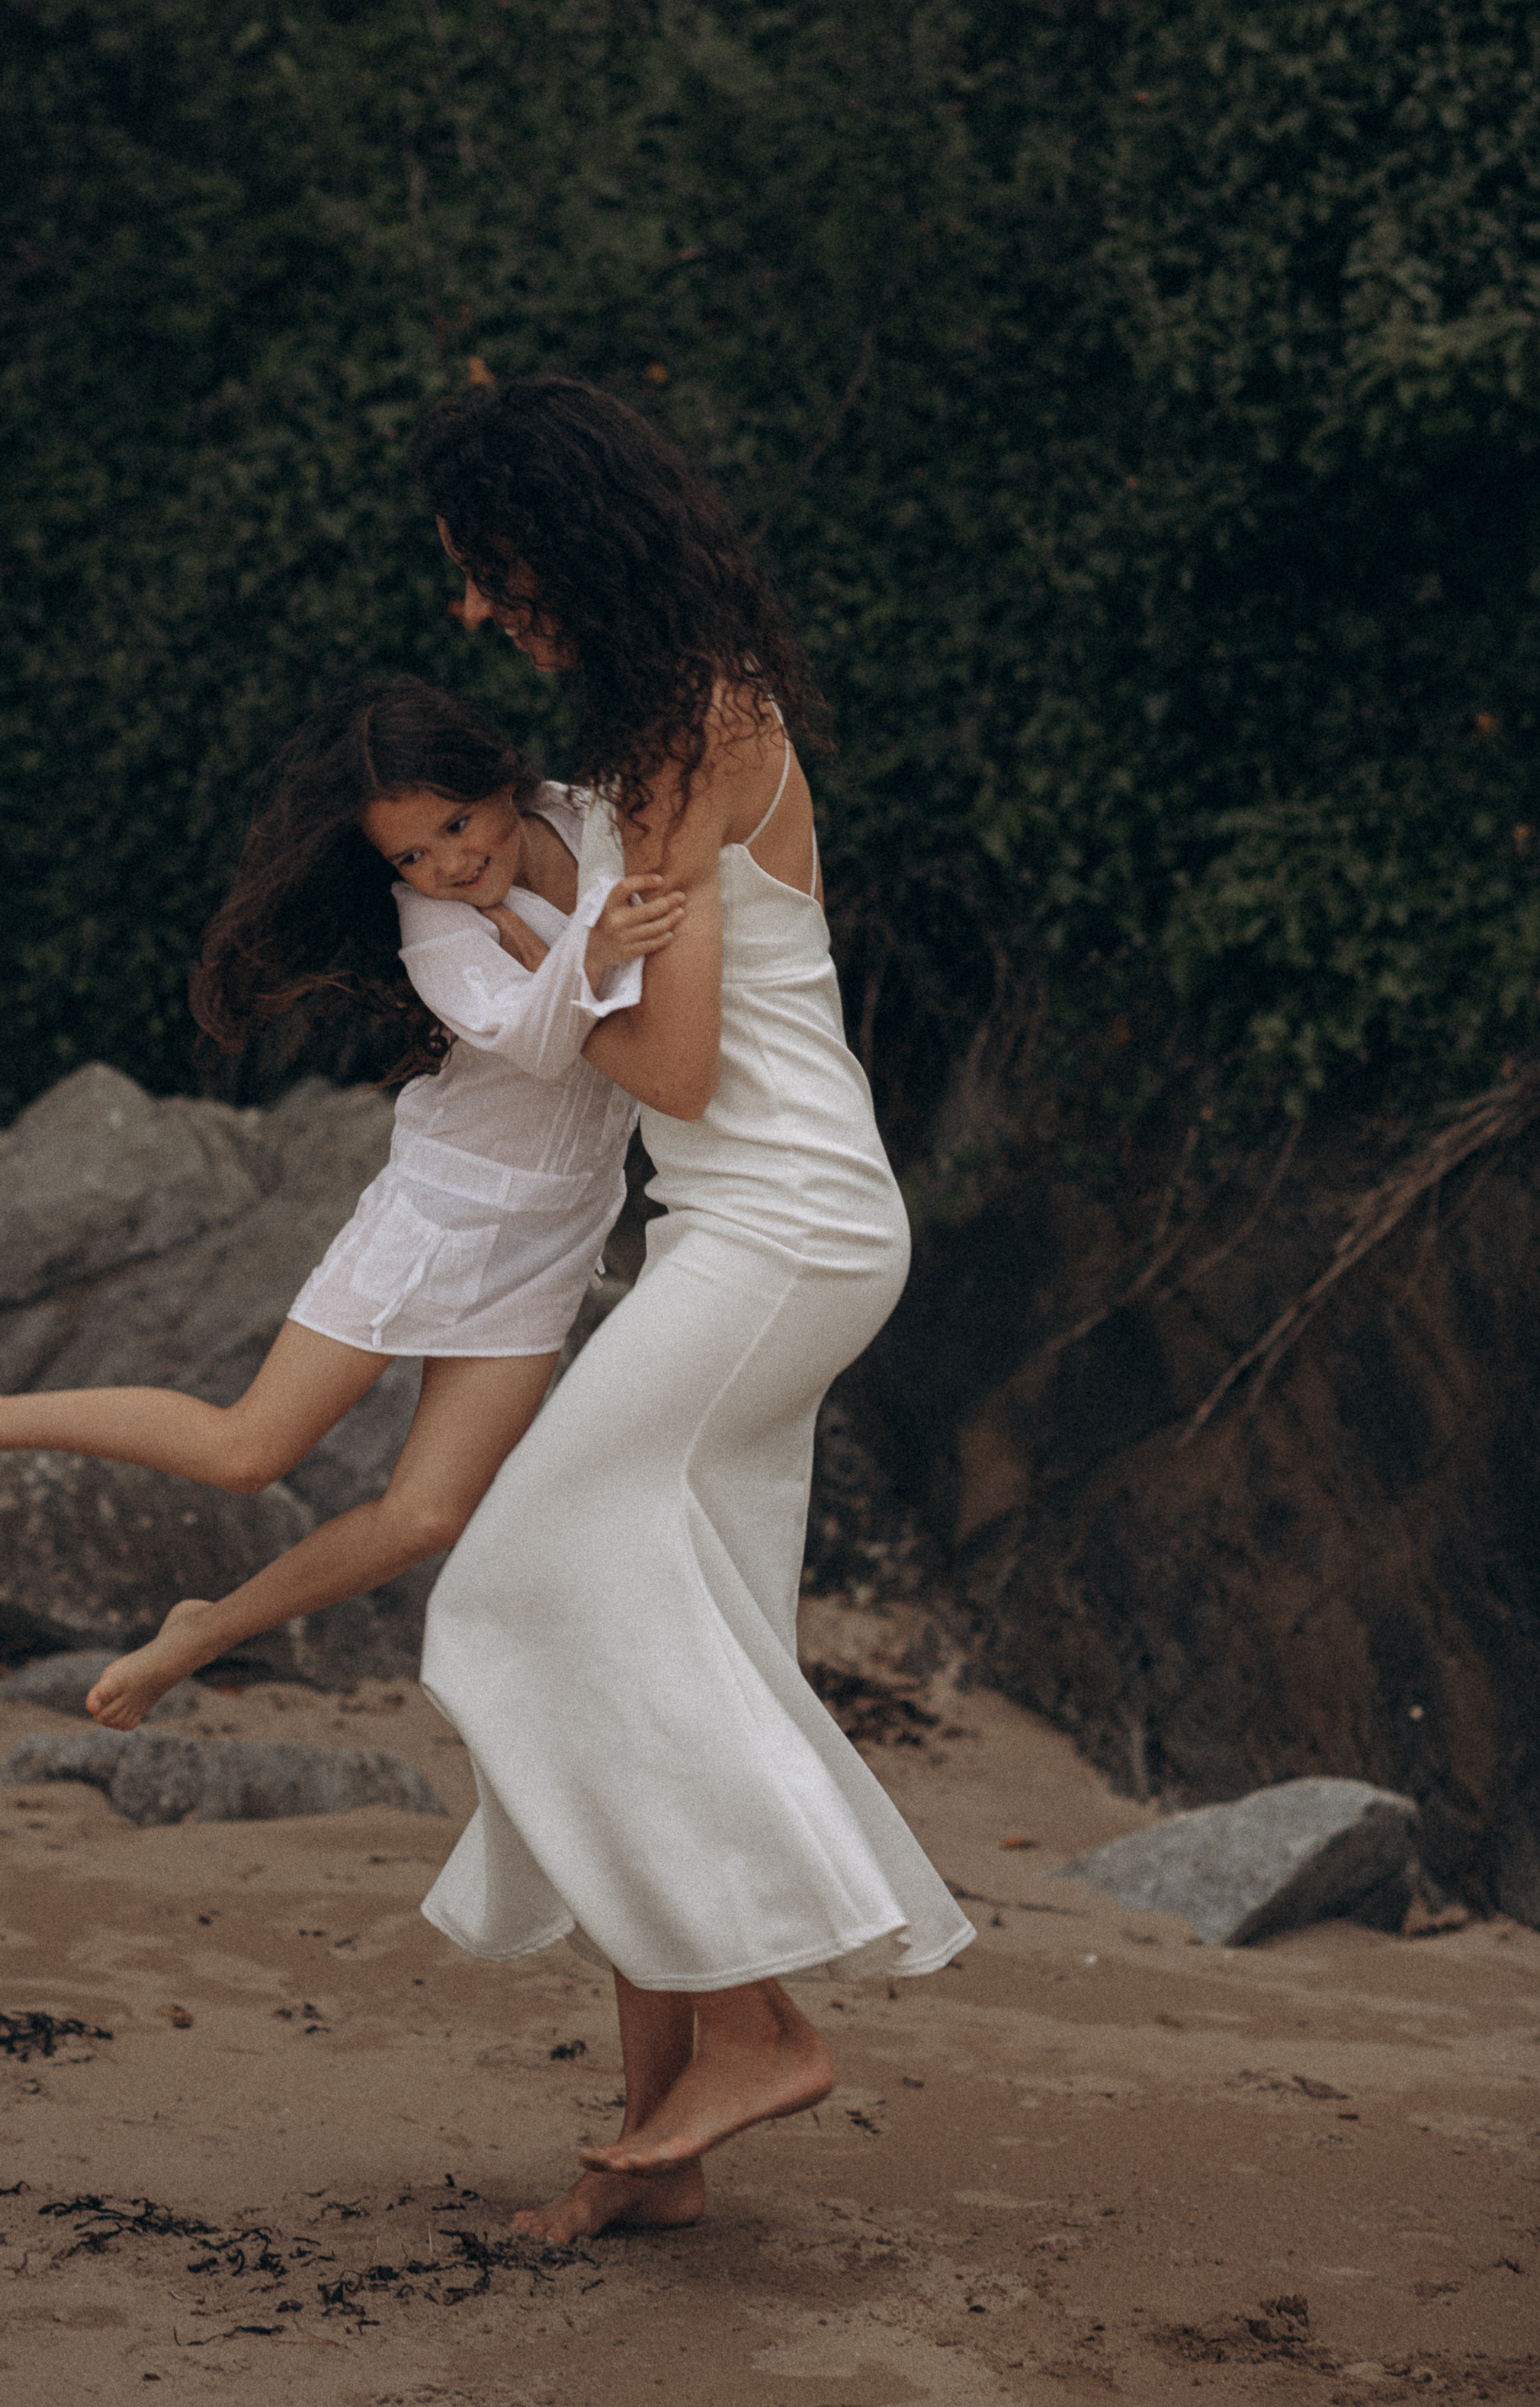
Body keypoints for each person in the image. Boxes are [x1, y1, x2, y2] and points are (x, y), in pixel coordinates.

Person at [407, 374, 974, 2246]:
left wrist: (530, 970)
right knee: (659, 1638)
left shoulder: (688, 729)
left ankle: (758, 2026)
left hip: (781, 1227)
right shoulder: (671, 717)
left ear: (564, 540)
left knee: (515, 1589)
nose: (475, 609)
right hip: (750, 1230)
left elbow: (673, 1063)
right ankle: (657, 2141)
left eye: (488, 569)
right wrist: (545, 935)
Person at [0, 676, 682, 1724]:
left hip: (554, 1234)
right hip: (445, 1212)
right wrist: (586, 956)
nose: (448, 865)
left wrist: (572, 954)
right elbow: (531, 1040)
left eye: (456, 824)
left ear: (498, 776)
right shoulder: (433, 922)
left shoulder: (593, 821)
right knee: (247, 1451)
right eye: (409, 855)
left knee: (427, 1516)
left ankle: (205, 1629)